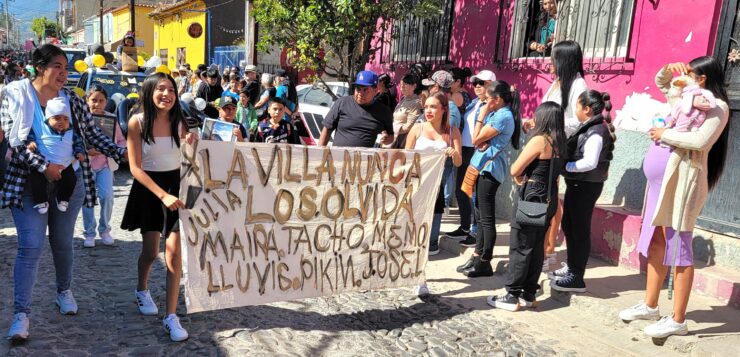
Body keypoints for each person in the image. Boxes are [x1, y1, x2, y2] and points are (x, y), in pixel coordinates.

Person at [1, 44, 125, 341]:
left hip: (69, 180)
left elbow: (93, 133)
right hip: (29, 183)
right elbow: (14, 143)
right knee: (30, 247)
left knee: (62, 242)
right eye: (57, 66)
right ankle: (22, 314)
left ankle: (64, 291)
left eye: (65, 67)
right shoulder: (15, 96)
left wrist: (123, 152)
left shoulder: (72, 99)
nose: (63, 72)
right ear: (39, 67)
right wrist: (44, 167)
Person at [618, 57, 730, 338]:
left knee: (678, 246)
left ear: (702, 79)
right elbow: (663, 83)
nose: (683, 79)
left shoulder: (716, 107)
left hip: (683, 184)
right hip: (659, 183)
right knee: (656, 239)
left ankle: (678, 319)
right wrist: (667, 70)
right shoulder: (684, 99)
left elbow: (700, 141)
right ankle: (650, 304)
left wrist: (663, 134)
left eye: (689, 74)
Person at [120, 72, 195, 342]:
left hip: (176, 188)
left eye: (172, 90)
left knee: (174, 254)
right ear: (150, 92)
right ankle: (142, 289)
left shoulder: (180, 121)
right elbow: (135, 168)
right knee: (151, 253)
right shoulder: (137, 122)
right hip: (150, 189)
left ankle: (171, 316)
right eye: (161, 89)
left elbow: (191, 153)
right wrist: (161, 195)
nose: (167, 94)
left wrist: (194, 143)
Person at [487, 101, 566, 311]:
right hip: (549, 198)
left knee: (520, 246)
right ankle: (529, 294)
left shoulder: (540, 140)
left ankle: (512, 295)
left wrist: (520, 176)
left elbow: (515, 169)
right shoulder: (560, 142)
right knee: (536, 246)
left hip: (532, 199)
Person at [549, 90, 615, 293]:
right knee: (569, 225)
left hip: (586, 186)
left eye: (577, 106)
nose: (575, 110)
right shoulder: (589, 127)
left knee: (578, 229)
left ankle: (577, 277)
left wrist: (567, 167)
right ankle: (571, 266)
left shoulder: (596, 131)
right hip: (578, 184)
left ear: (587, 109)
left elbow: (589, 162)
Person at [458, 81, 521, 278]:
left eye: (488, 98)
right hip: (481, 167)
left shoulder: (503, 116)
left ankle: (485, 261)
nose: (485, 101)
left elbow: (476, 138)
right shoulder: (497, 113)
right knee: (478, 213)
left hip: (490, 169)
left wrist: (482, 116)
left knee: (486, 217)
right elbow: (480, 140)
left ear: (498, 99)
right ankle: (477, 255)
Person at [537, 40, 589, 273]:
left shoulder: (578, 86)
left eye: (554, 58)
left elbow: (578, 120)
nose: (550, 63)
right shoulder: (557, 83)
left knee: (552, 199)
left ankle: (549, 251)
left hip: (559, 147)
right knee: (546, 197)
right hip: (546, 143)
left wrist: (552, 127)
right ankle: (544, 249)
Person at [405, 92, 462, 255]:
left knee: (436, 208)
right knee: (412, 212)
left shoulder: (452, 132)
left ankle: (431, 242)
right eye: (426, 107)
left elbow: (458, 162)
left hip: (436, 181)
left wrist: (454, 153)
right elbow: (405, 156)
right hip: (415, 180)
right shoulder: (418, 128)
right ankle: (410, 240)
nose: (428, 110)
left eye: (433, 107)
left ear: (444, 109)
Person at [446, 70, 496, 246]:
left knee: (475, 193)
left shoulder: (492, 106)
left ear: (491, 84)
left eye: (481, 83)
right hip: (465, 150)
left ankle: (476, 233)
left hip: (478, 152)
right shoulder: (473, 103)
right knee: (461, 190)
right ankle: (465, 226)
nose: (477, 86)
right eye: (475, 83)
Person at [81, 85, 127, 248]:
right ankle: (89, 232)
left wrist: (119, 150)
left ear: (106, 102)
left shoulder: (111, 119)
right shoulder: (82, 118)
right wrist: (86, 150)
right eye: (93, 100)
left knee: (107, 197)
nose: (97, 104)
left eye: (101, 101)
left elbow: (121, 140)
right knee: (88, 200)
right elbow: (75, 140)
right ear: (87, 100)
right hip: (86, 165)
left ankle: (105, 229)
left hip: (106, 164)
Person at [24, 97, 85, 214]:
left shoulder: (71, 131)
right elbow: (30, 135)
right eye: (56, 118)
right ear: (48, 119)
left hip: (65, 164)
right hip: (45, 164)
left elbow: (78, 143)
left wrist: (79, 152)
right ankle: (41, 200)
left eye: (65, 119)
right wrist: (30, 142)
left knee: (71, 179)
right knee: (36, 178)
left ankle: (63, 199)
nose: (61, 121)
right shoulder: (41, 128)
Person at [319, 70, 394, 148]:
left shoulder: (384, 111)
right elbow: (327, 129)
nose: (360, 93)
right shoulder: (342, 103)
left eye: (365, 90)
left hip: (366, 158)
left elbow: (390, 136)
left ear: (375, 91)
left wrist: (386, 139)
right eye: (358, 89)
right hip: (339, 157)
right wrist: (320, 151)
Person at [390, 73, 422, 148]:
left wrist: (393, 129)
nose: (402, 87)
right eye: (401, 85)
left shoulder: (416, 103)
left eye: (405, 85)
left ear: (414, 86)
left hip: (403, 140)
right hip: (395, 137)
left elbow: (409, 127)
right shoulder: (403, 99)